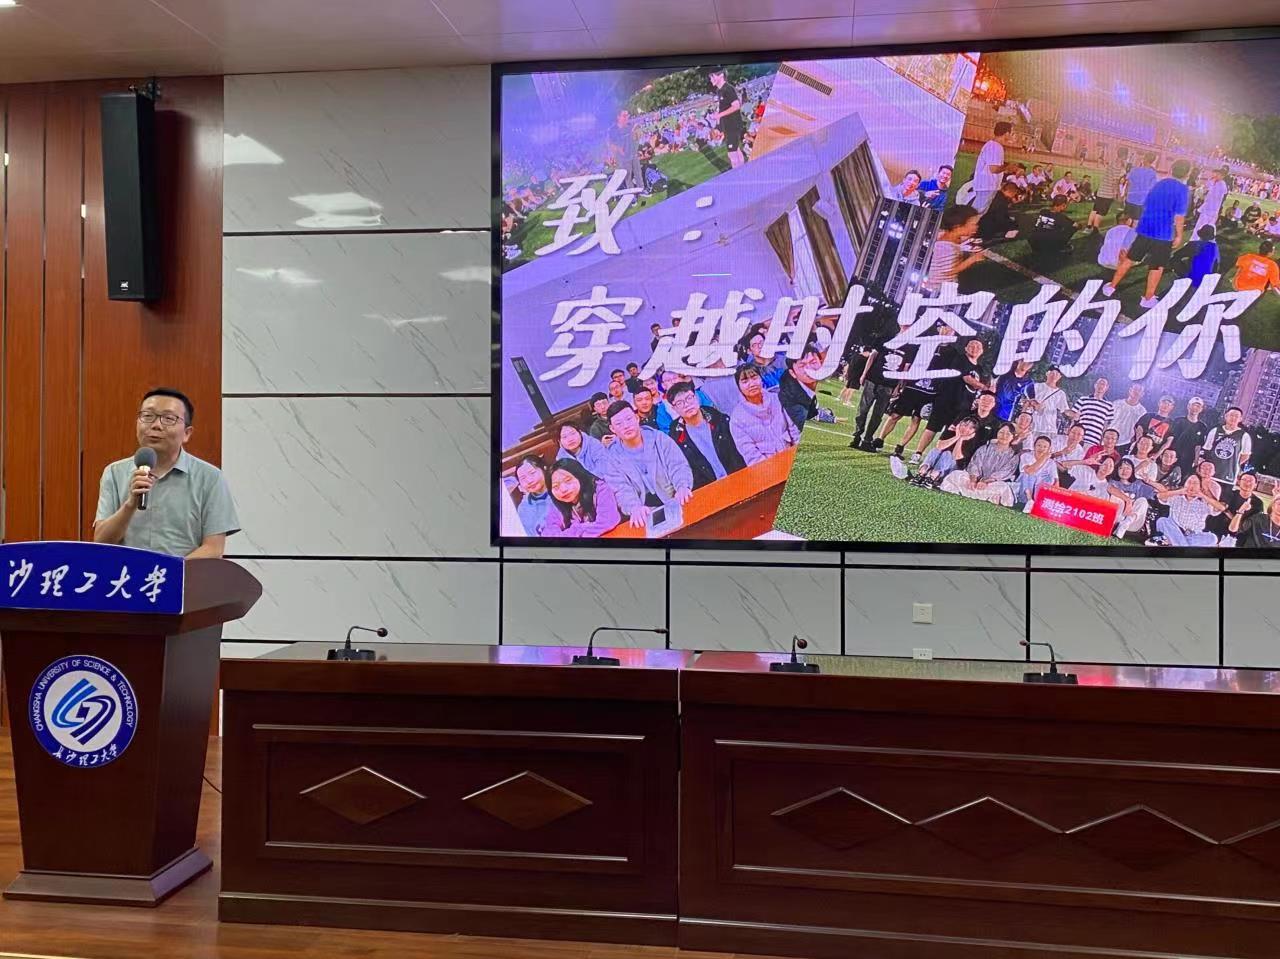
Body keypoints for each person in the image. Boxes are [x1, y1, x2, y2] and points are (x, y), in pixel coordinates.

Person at [94, 388, 239, 557]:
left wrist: (169, 571)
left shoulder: (210, 477)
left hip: (185, 573)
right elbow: (101, 542)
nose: (156, 425)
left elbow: (213, 549)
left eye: (168, 418)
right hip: (127, 573)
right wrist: (130, 504)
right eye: (148, 416)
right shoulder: (114, 472)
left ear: (187, 433)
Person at [1103, 158, 1191, 310]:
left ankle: (1111, 287)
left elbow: (1146, 203)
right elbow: (1179, 216)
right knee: (1156, 266)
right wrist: (1179, 235)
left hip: (1145, 228)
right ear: (1187, 173)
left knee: (1130, 259)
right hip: (1163, 234)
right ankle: (1148, 298)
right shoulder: (1183, 190)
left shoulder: (1159, 183)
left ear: (1172, 169)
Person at [603, 401, 693, 529]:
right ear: (612, 429)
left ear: (637, 418)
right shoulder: (611, 457)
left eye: (629, 419)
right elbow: (621, 489)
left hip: (675, 498)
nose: (626, 426)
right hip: (644, 512)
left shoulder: (659, 438)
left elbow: (677, 466)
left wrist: (682, 485)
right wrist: (634, 507)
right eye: (619, 424)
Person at [904, 337, 989, 466]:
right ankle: (918, 454)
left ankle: (939, 460)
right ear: (966, 348)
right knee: (932, 428)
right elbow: (967, 379)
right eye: (972, 345)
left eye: (978, 346)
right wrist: (984, 387)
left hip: (963, 407)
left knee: (951, 433)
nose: (974, 348)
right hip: (946, 401)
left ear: (982, 351)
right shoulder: (960, 359)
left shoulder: (980, 370)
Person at [667, 381, 745, 488]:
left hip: (740, 479)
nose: (686, 404)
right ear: (674, 408)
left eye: (689, 398)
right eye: (679, 403)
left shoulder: (720, 420)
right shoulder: (677, 438)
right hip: (710, 489)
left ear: (696, 397)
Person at [849, 320, 909, 451]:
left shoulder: (910, 346)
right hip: (873, 378)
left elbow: (905, 368)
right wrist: (864, 373)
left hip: (889, 384)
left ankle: (867, 440)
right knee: (862, 410)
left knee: (877, 415)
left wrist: (899, 386)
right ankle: (857, 435)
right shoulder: (887, 338)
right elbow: (872, 356)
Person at [729, 365, 799, 464]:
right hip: (768, 467)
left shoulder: (778, 399)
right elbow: (750, 454)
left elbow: (795, 430)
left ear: (761, 379)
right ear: (739, 386)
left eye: (754, 378)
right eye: (745, 381)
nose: (751, 384)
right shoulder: (737, 419)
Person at [940, 423, 1020, 505]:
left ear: (1013, 437)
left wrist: (985, 482)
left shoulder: (1013, 455)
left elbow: (1004, 473)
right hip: (975, 481)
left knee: (1002, 486)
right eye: (1001, 432)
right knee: (956, 474)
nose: (1004, 436)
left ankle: (985, 496)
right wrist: (973, 480)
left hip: (992, 483)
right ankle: (982, 495)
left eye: (1008, 434)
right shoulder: (985, 448)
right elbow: (975, 464)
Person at [542, 459, 622, 538]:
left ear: (580, 476)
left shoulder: (600, 489)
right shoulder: (557, 503)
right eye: (556, 486)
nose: (563, 489)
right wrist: (577, 531)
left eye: (568, 481)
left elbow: (608, 521)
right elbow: (548, 533)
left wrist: (576, 531)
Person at [902, 417, 980, 489]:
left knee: (947, 454)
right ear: (959, 424)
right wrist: (956, 437)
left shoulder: (972, 441)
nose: (966, 429)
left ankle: (933, 477)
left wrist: (961, 439)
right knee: (935, 450)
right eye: (965, 425)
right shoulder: (951, 431)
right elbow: (939, 446)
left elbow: (955, 456)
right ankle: (922, 472)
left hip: (950, 470)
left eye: (971, 428)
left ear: (974, 432)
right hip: (935, 464)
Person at [923, 204, 984, 292]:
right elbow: (950, 271)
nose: (977, 227)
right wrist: (973, 259)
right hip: (939, 287)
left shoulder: (944, 235)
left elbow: (958, 239)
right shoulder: (948, 248)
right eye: (973, 224)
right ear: (957, 227)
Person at [1151, 475, 1225, 547]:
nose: (1191, 485)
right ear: (1184, 484)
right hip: (1174, 530)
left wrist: (1203, 495)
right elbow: (1159, 496)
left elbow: (1221, 508)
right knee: (1162, 521)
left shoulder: (1205, 503)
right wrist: (1179, 491)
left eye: (1195, 483)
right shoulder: (1176, 497)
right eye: (1189, 482)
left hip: (1194, 535)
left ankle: (1174, 543)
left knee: (1212, 538)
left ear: (1200, 487)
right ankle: (1181, 546)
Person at [972, 121, 1016, 213]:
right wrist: (1007, 166)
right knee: (975, 213)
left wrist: (1005, 167)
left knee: (978, 213)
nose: (1012, 135)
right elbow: (994, 169)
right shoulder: (996, 147)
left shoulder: (993, 145)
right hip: (987, 185)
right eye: (1011, 133)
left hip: (987, 185)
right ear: (1006, 133)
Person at [1201, 407, 1252, 485]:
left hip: (1229, 477)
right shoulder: (1215, 430)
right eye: (1231, 415)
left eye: (1236, 416)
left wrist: (1233, 463)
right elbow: (1206, 450)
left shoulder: (1244, 436)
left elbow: (1245, 455)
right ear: (1226, 416)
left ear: (1240, 419)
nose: (1233, 418)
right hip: (1210, 474)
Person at [1212, 470, 1265, 544]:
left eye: (1250, 481)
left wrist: (1227, 512)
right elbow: (1219, 508)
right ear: (1239, 482)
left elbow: (1247, 525)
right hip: (1218, 530)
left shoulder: (1257, 503)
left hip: (1238, 537)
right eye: (1244, 480)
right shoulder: (1230, 494)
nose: (1247, 483)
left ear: (1255, 485)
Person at [707, 68, 745, 169]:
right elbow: (723, 109)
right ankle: (744, 172)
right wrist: (718, 125)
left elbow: (736, 105)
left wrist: (719, 115)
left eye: (712, 76)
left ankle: (739, 175)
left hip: (733, 125)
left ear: (721, 75)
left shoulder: (728, 89)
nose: (711, 79)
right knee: (736, 150)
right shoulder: (719, 91)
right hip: (728, 126)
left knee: (732, 154)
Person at [779, 345, 822, 430]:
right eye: (802, 365)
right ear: (792, 373)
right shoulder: (789, 395)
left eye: (813, 362)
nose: (809, 369)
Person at [1108, 458, 1153, 539]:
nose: (1124, 471)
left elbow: (1160, 494)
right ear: (1117, 470)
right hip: (1115, 519)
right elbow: (1110, 488)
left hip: (1132, 522)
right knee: (1116, 496)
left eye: (1127, 468)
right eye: (1121, 468)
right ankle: (1116, 527)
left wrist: (1150, 482)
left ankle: (1124, 524)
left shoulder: (1138, 484)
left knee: (1143, 501)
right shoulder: (1113, 482)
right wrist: (1128, 500)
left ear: (1133, 471)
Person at [1064, 377, 1114, 446]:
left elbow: (1106, 426)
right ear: (1095, 385)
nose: (1100, 386)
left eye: (1103, 384)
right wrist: (1070, 430)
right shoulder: (1083, 399)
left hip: (1094, 440)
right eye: (1098, 383)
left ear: (1107, 387)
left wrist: (1102, 442)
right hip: (1078, 438)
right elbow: (1074, 417)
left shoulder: (1109, 405)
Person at [1168, 224, 1220, 289]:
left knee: (1174, 260)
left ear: (1200, 235)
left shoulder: (1194, 244)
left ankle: (1181, 277)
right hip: (1206, 281)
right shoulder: (1215, 247)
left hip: (1192, 278)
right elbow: (1216, 265)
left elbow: (1177, 254)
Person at [513, 455, 553, 537]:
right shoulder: (523, 508)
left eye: (532, 473)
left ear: (544, 468)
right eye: (523, 478)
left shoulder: (561, 491)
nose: (529, 481)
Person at [1015, 435, 1059, 508]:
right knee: (1028, 474)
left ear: (1049, 449)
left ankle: (1039, 501)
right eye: (1039, 445)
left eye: (1045, 447)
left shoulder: (1051, 462)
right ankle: (1029, 501)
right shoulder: (1026, 456)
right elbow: (1030, 471)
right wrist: (1044, 457)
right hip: (1025, 491)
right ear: (1034, 446)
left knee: (1051, 479)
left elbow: (1056, 481)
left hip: (1039, 491)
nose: (1041, 448)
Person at [1088, 148, 1127, 231]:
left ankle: (1089, 226)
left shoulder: (1112, 162)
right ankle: (1095, 230)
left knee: (1095, 209)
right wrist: (1118, 194)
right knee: (1101, 212)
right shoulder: (1118, 166)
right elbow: (1115, 182)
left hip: (1101, 190)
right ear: (1124, 156)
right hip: (1108, 193)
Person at [1026, 366, 1069, 438]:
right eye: (1052, 373)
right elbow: (1027, 401)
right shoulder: (1035, 386)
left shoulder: (1061, 393)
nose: (1054, 375)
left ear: (1060, 377)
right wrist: (1035, 404)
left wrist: (1074, 414)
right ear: (1047, 373)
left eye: (1057, 374)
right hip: (1034, 426)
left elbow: (1064, 409)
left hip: (1050, 429)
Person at [1170, 396, 1209, 475]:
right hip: (1173, 457)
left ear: (1201, 409)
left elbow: (1198, 446)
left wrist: (1196, 461)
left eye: (1198, 406)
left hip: (1188, 460)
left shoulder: (1202, 427)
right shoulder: (1178, 421)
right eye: (1193, 405)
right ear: (1188, 406)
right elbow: (1170, 439)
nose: (1195, 408)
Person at [1194, 166, 1230, 236]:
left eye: (1219, 174)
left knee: (1209, 225)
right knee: (1200, 224)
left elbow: (1217, 195)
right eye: (1217, 174)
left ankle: (1206, 238)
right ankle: (1196, 237)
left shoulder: (1222, 184)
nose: (1217, 175)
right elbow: (1206, 189)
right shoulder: (1213, 181)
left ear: (1223, 176)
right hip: (1207, 207)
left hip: (1213, 209)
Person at [1122, 151, 1158, 221]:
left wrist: (1124, 195)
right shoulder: (1153, 174)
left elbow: (1128, 184)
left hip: (1130, 199)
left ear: (1144, 158)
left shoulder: (1134, 170)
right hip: (1142, 201)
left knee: (1126, 219)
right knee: (1136, 221)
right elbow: (1152, 189)